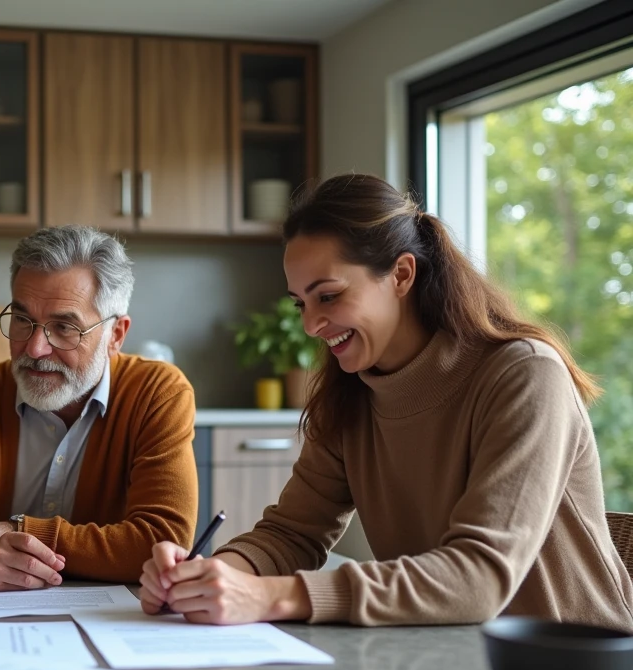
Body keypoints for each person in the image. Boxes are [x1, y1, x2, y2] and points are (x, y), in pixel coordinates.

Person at [140, 173, 633, 632]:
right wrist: (212, 575)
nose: (311, 324)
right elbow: (292, 533)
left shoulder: (524, 374)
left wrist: (273, 596)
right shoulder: (352, 394)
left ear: (400, 275)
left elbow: (481, 576)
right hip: (446, 657)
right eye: (301, 303)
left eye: (328, 296)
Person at [0, 225, 199, 589]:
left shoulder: (158, 393)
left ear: (115, 336)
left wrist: (16, 532)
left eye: (64, 327)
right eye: (22, 320)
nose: (34, 349)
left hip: (115, 623)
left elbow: (162, 541)